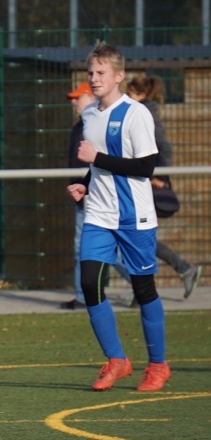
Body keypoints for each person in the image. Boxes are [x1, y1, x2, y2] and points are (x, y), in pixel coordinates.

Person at [66, 42, 171, 392]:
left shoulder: (136, 114)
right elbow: (99, 166)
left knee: (143, 289)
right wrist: (85, 183)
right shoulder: (90, 115)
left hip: (134, 217)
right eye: (91, 73)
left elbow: (145, 167)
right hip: (99, 215)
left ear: (119, 76)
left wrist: (95, 158)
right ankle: (117, 360)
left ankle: (158, 366)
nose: (94, 78)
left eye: (101, 73)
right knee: (89, 283)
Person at [126, 75, 202, 299]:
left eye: (129, 94)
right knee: (137, 237)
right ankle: (178, 271)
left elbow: (164, 146)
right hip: (140, 182)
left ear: (141, 95)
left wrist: (159, 176)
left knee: (137, 236)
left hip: (146, 184)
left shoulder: (145, 114)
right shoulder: (140, 112)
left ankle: (174, 273)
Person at [60, 83, 132, 310]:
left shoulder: (97, 123)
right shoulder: (81, 124)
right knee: (85, 247)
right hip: (85, 194)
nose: (74, 102)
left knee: (97, 249)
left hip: (98, 196)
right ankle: (83, 296)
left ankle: (141, 284)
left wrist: (88, 184)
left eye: (78, 98)